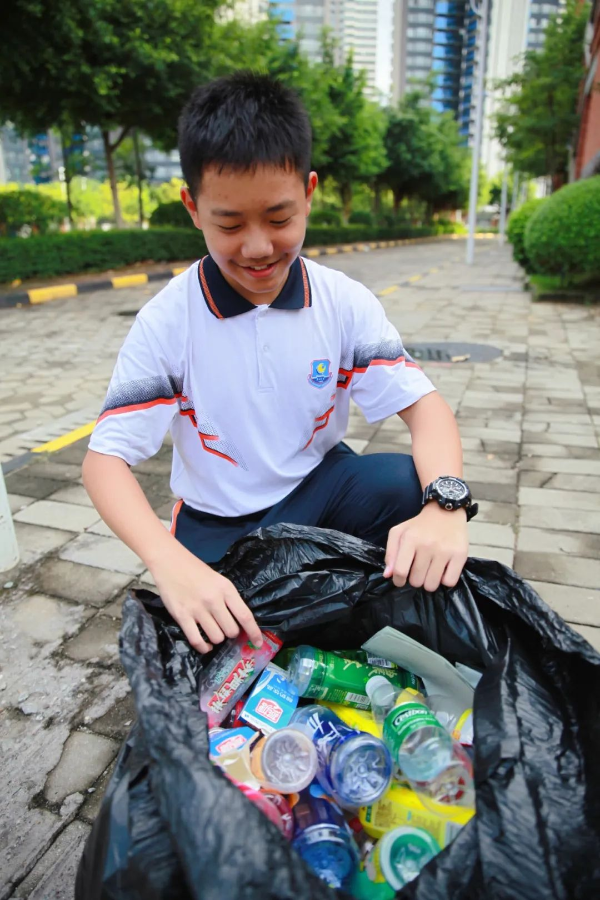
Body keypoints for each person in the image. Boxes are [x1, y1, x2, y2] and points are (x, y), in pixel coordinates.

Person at [82, 72, 477, 655]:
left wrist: (447, 503)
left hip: (316, 490)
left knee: (402, 485)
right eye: (230, 224)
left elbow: (426, 409)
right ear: (192, 207)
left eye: (279, 217)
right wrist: (166, 562)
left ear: (309, 192)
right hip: (220, 528)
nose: (259, 247)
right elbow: (105, 460)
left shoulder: (342, 301)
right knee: (218, 648)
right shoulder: (168, 321)